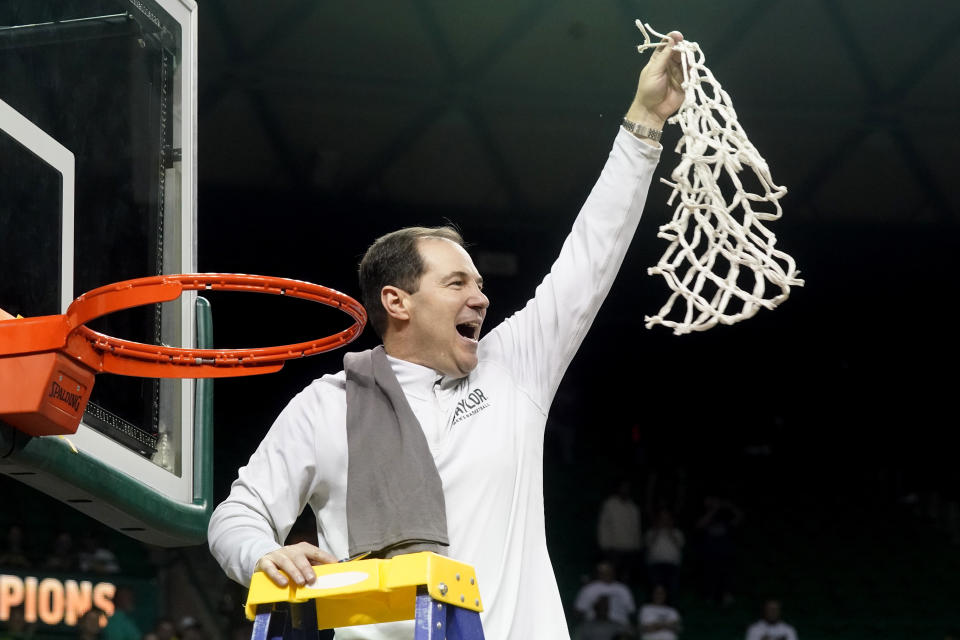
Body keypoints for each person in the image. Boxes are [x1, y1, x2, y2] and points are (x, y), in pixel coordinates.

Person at [208, 28, 686, 640]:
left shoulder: (513, 368)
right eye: (457, 283)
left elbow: (588, 259)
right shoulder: (329, 406)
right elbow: (237, 516)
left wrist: (644, 120)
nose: (480, 297)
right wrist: (262, 556)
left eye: (480, 283)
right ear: (397, 301)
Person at [597, 480, 643, 585]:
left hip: (630, 549)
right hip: (613, 548)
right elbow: (603, 526)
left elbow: (636, 528)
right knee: (610, 578)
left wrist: (637, 545)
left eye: (627, 488)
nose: (625, 490)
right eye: (623, 488)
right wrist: (604, 545)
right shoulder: (610, 504)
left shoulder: (633, 507)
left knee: (626, 579)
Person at [574, 561, 637, 628]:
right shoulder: (588, 589)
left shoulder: (623, 589)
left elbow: (631, 611)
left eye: (609, 571)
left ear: (614, 572)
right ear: (598, 573)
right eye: (603, 572)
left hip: (619, 624)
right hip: (595, 625)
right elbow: (578, 611)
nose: (606, 574)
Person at [644, 508, 684, 598]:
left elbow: (680, 545)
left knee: (672, 589)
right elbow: (648, 545)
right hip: (655, 565)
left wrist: (670, 531)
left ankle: (670, 609)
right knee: (655, 588)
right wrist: (657, 531)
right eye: (662, 518)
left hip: (673, 565)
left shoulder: (677, 532)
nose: (664, 521)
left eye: (667, 519)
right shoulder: (651, 532)